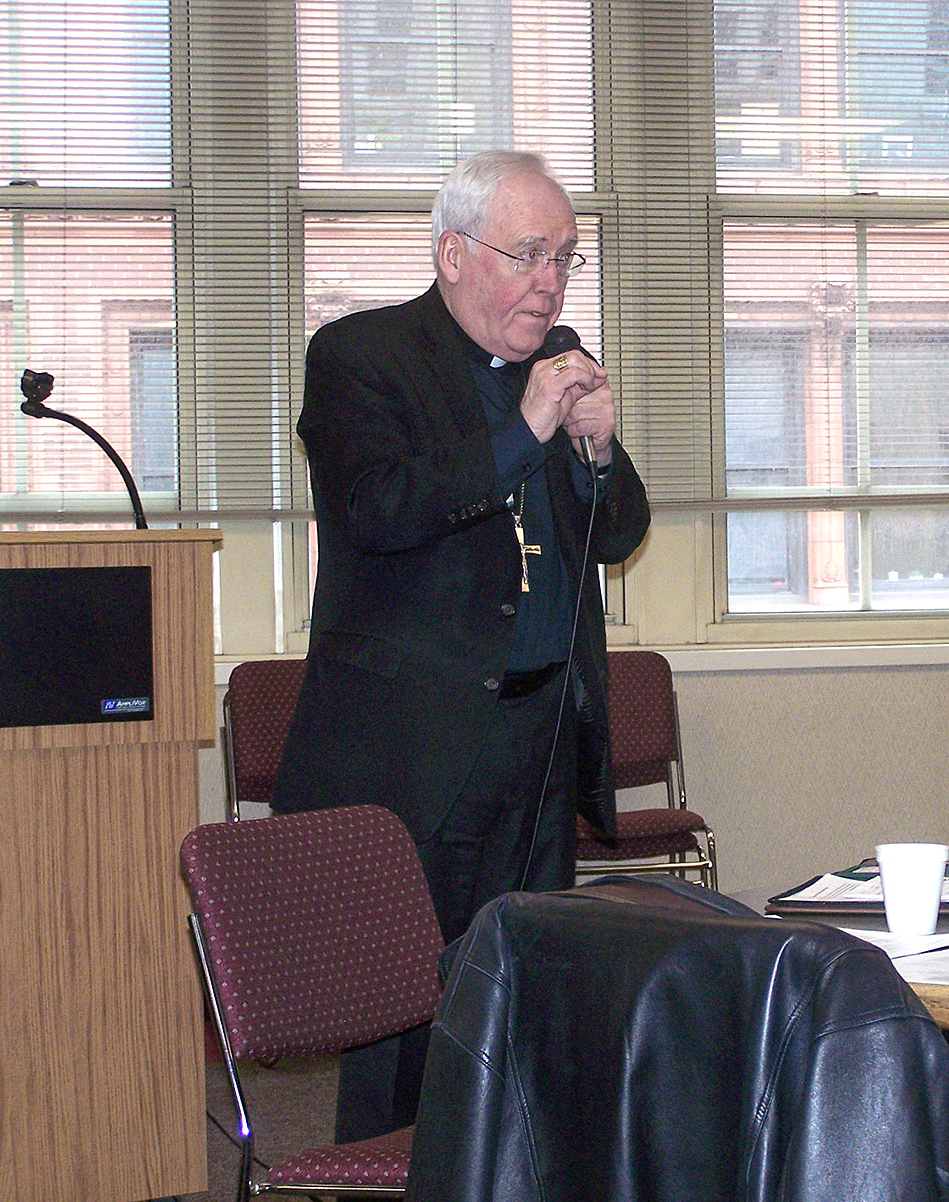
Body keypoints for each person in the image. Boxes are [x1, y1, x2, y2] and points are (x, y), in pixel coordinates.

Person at [271, 149, 651, 1142]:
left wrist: (597, 449)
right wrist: (527, 428)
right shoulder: (361, 357)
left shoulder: (558, 361)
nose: (550, 280)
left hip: (538, 738)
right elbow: (380, 509)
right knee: (400, 1014)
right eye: (528, 253)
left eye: (565, 256)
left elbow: (616, 533)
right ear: (451, 253)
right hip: (417, 745)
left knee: (524, 993)